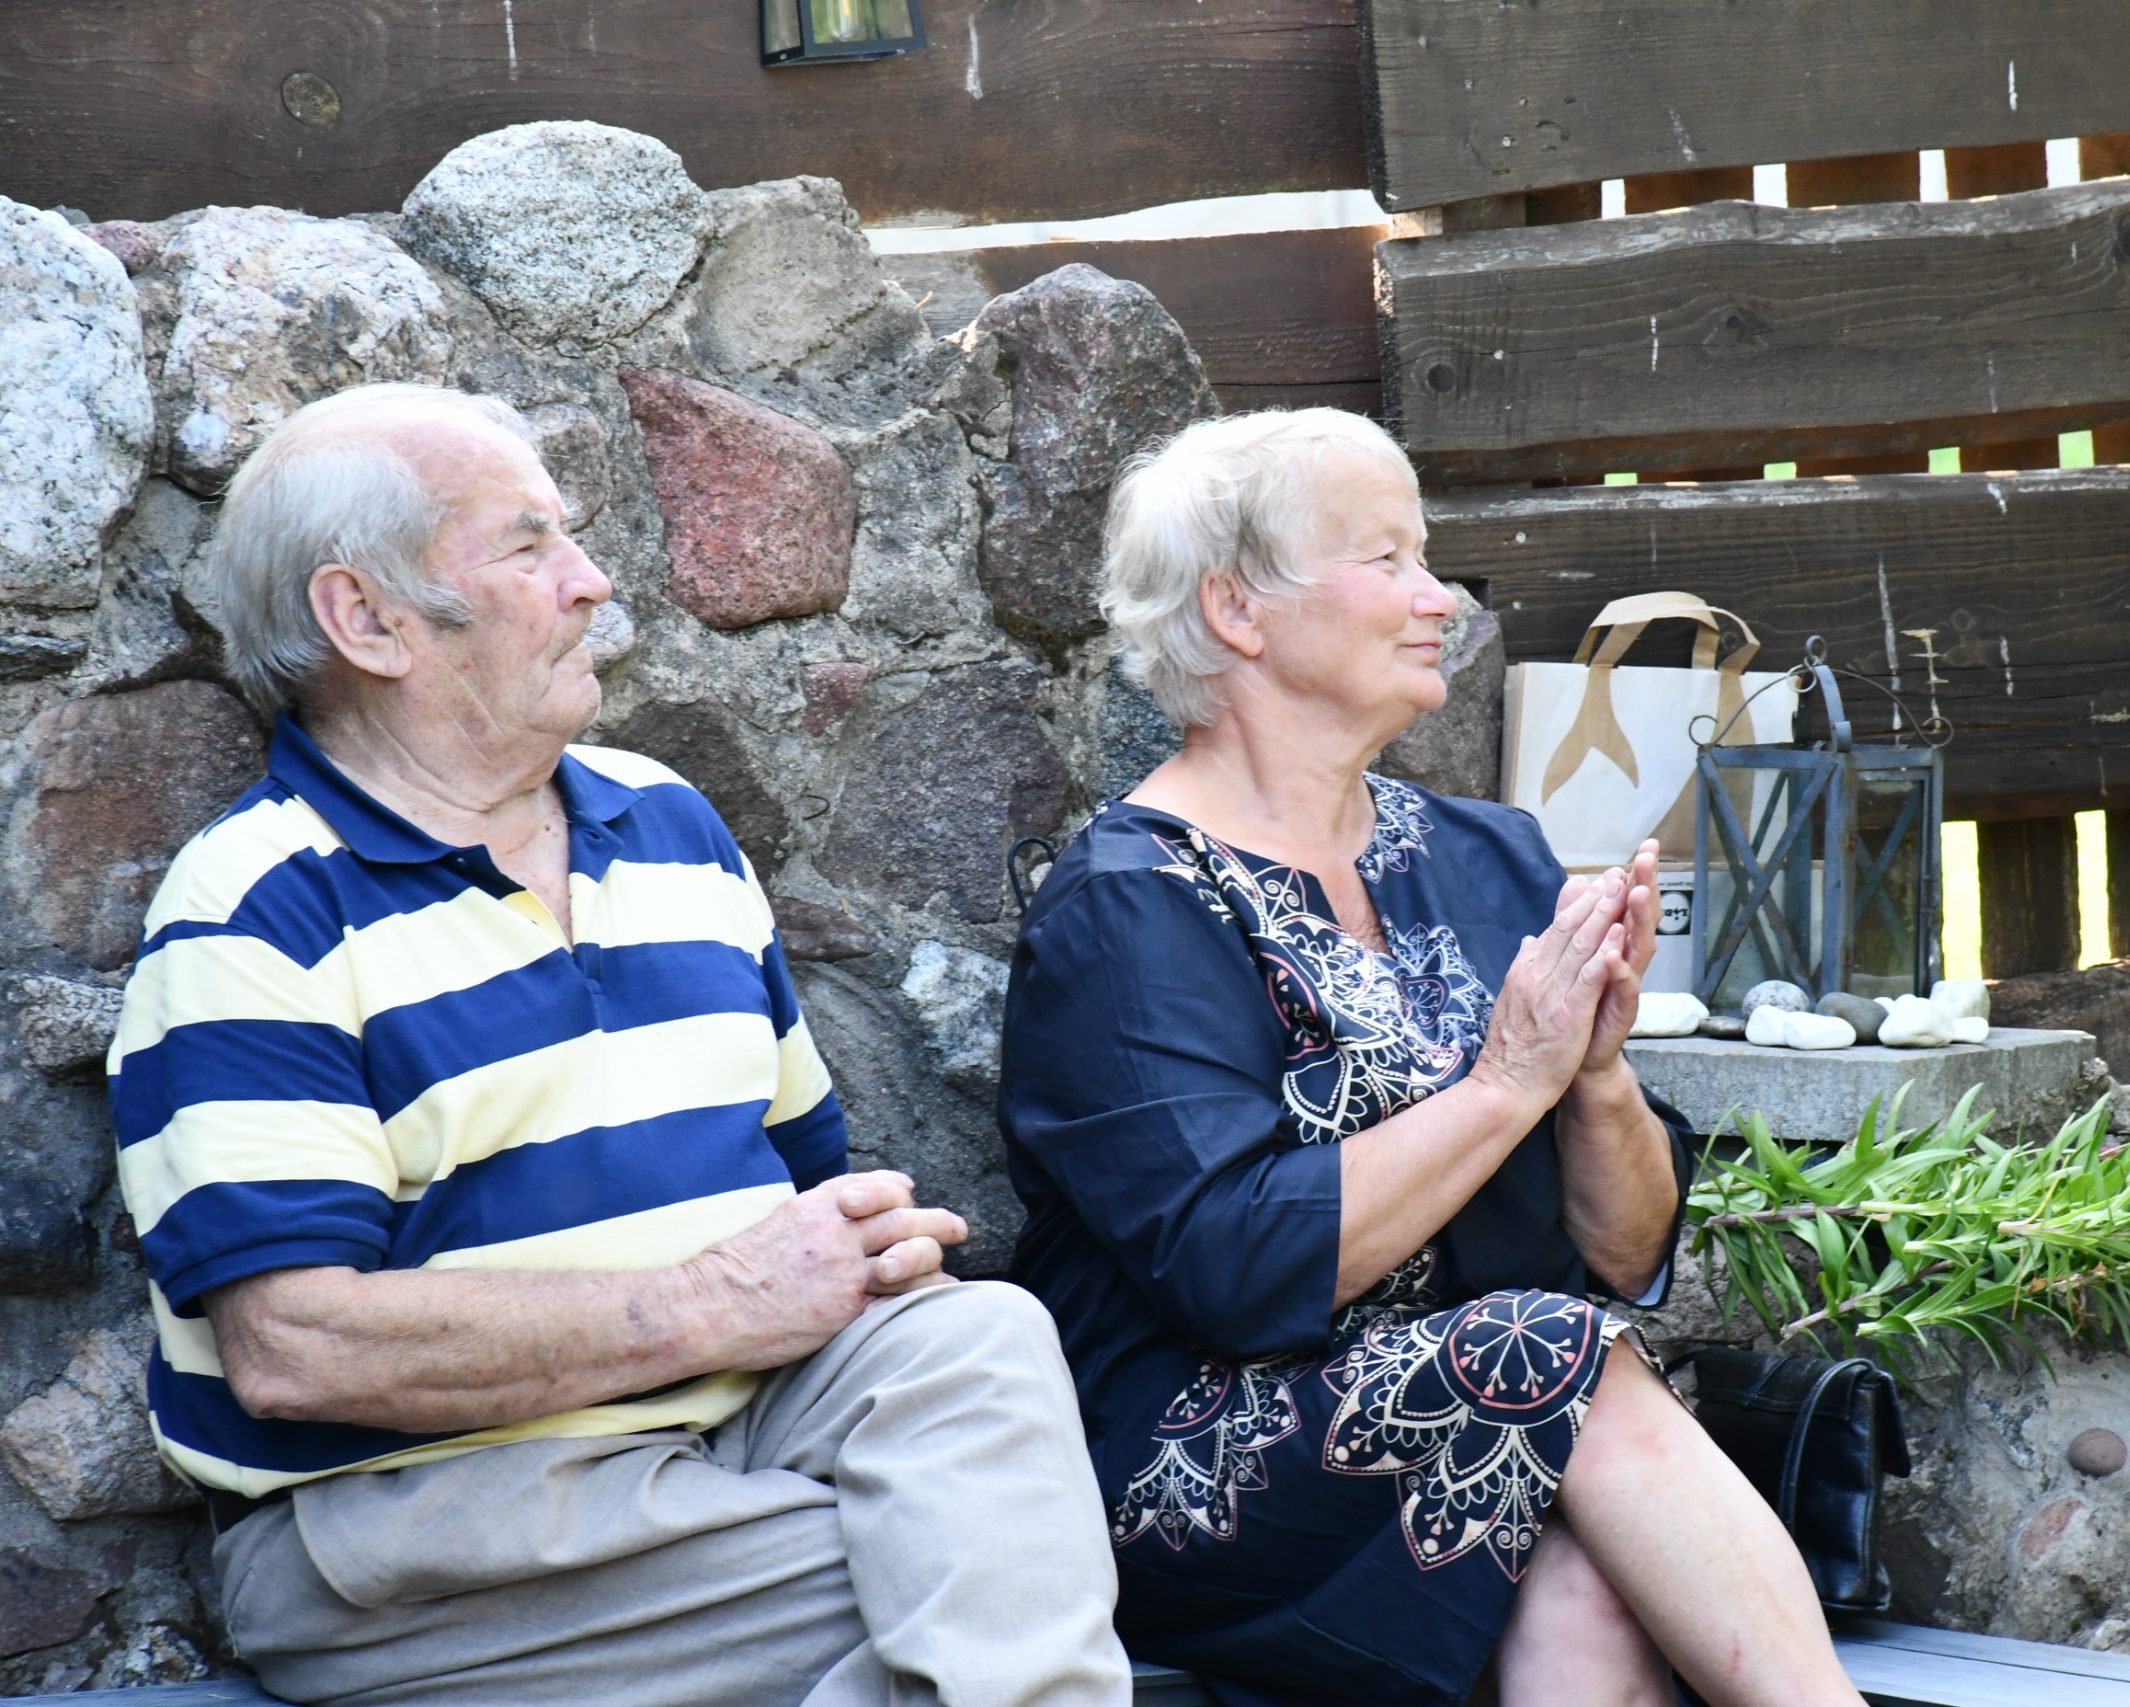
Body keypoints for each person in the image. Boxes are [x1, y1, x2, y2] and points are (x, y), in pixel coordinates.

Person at [108, 382, 1129, 1707]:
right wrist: (712, 1305)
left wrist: (856, 1251)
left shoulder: (668, 822)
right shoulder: (255, 908)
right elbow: (296, 1349)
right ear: (367, 619)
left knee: (978, 1342)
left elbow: (799, 1185)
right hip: (430, 1514)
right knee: (975, 1580)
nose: (591, 581)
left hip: (742, 1427)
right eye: (528, 546)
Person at [998, 409, 1869, 1707]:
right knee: (1551, 1355)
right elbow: (1237, 1268)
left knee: (1587, 1588)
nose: (1439, 600)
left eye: (1428, 556)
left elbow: (1629, 1252)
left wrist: (1591, 1075)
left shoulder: (1489, 855)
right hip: (1201, 1464)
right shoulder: (1127, 905)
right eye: (1386, 559)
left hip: (1498, 1415)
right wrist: (1506, 1082)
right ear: (1237, 610)